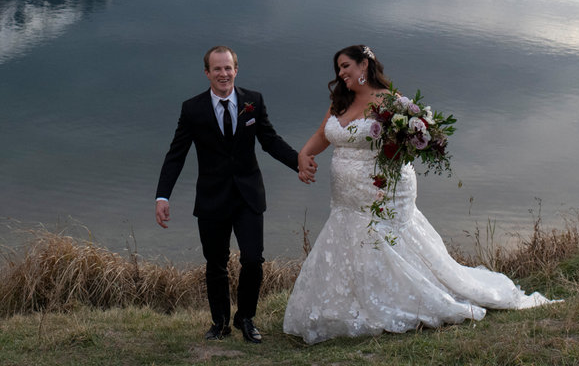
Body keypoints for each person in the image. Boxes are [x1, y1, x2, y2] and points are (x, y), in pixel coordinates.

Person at [282, 44, 555, 344]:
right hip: (345, 198)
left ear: (364, 66)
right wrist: (304, 154)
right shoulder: (340, 102)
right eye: (338, 68)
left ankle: (391, 302)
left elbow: (406, 147)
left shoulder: (391, 103)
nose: (341, 73)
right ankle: (346, 305)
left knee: (378, 242)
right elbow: (324, 134)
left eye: (346, 66)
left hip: (379, 193)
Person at [156, 45, 317, 343]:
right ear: (207, 73)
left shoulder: (252, 102)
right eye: (217, 68)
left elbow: (269, 140)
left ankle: (246, 317)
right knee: (215, 263)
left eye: (228, 67)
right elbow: (176, 155)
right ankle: (220, 323)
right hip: (211, 198)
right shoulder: (192, 109)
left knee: (253, 260)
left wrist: (298, 161)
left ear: (236, 70)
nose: (223, 73)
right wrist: (162, 196)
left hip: (248, 196)